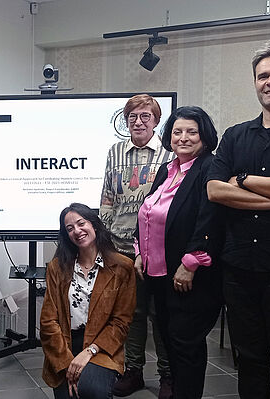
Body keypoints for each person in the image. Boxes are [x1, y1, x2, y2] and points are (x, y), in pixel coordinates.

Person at [135, 106, 222, 398]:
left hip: (188, 275)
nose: (183, 138)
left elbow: (209, 216)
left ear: (204, 136)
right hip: (158, 273)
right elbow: (148, 212)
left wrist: (191, 261)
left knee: (186, 346)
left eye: (191, 132)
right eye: (177, 132)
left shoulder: (209, 167)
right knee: (172, 343)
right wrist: (139, 251)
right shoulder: (167, 169)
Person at [207, 40, 270, 399]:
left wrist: (244, 180)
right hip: (239, 270)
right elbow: (215, 190)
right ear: (255, 83)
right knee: (249, 358)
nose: (269, 81)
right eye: (263, 75)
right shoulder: (235, 136)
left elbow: (230, 185)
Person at [99, 94, 173, 398]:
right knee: (132, 313)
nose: (138, 122)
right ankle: (133, 371)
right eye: (132, 116)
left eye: (145, 116)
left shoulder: (170, 154)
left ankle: (168, 374)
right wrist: (106, 239)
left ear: (156, 121)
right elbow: (107, 198)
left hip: (159, 251)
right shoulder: (115, 152)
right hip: (121, 248)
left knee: (161, 314)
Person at [40, 203, 136, 399]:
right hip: (64, 344)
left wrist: (89, 352)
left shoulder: (122, 267)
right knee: (68, 393)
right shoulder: (57, 268)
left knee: (91, 390)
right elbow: (48, 322)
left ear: (94, 225)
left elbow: (120, 323)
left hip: (101, 346)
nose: (77, 231)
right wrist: (69, 365)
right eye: (69, 228)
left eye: (81, 223)